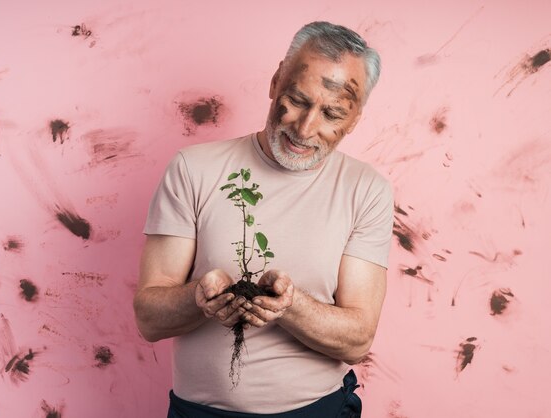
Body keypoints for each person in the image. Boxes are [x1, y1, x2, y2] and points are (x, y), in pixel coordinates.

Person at [134, 21, 393, 418]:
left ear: (355, 118)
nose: (306, 128)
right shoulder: (193, 168)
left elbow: (357, 340)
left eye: (332, 113)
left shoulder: (367, 190)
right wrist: (198, 297)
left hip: (318, 410)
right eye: (298, 100)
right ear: (275, 82)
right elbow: (149, 319)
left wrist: (290, 306)